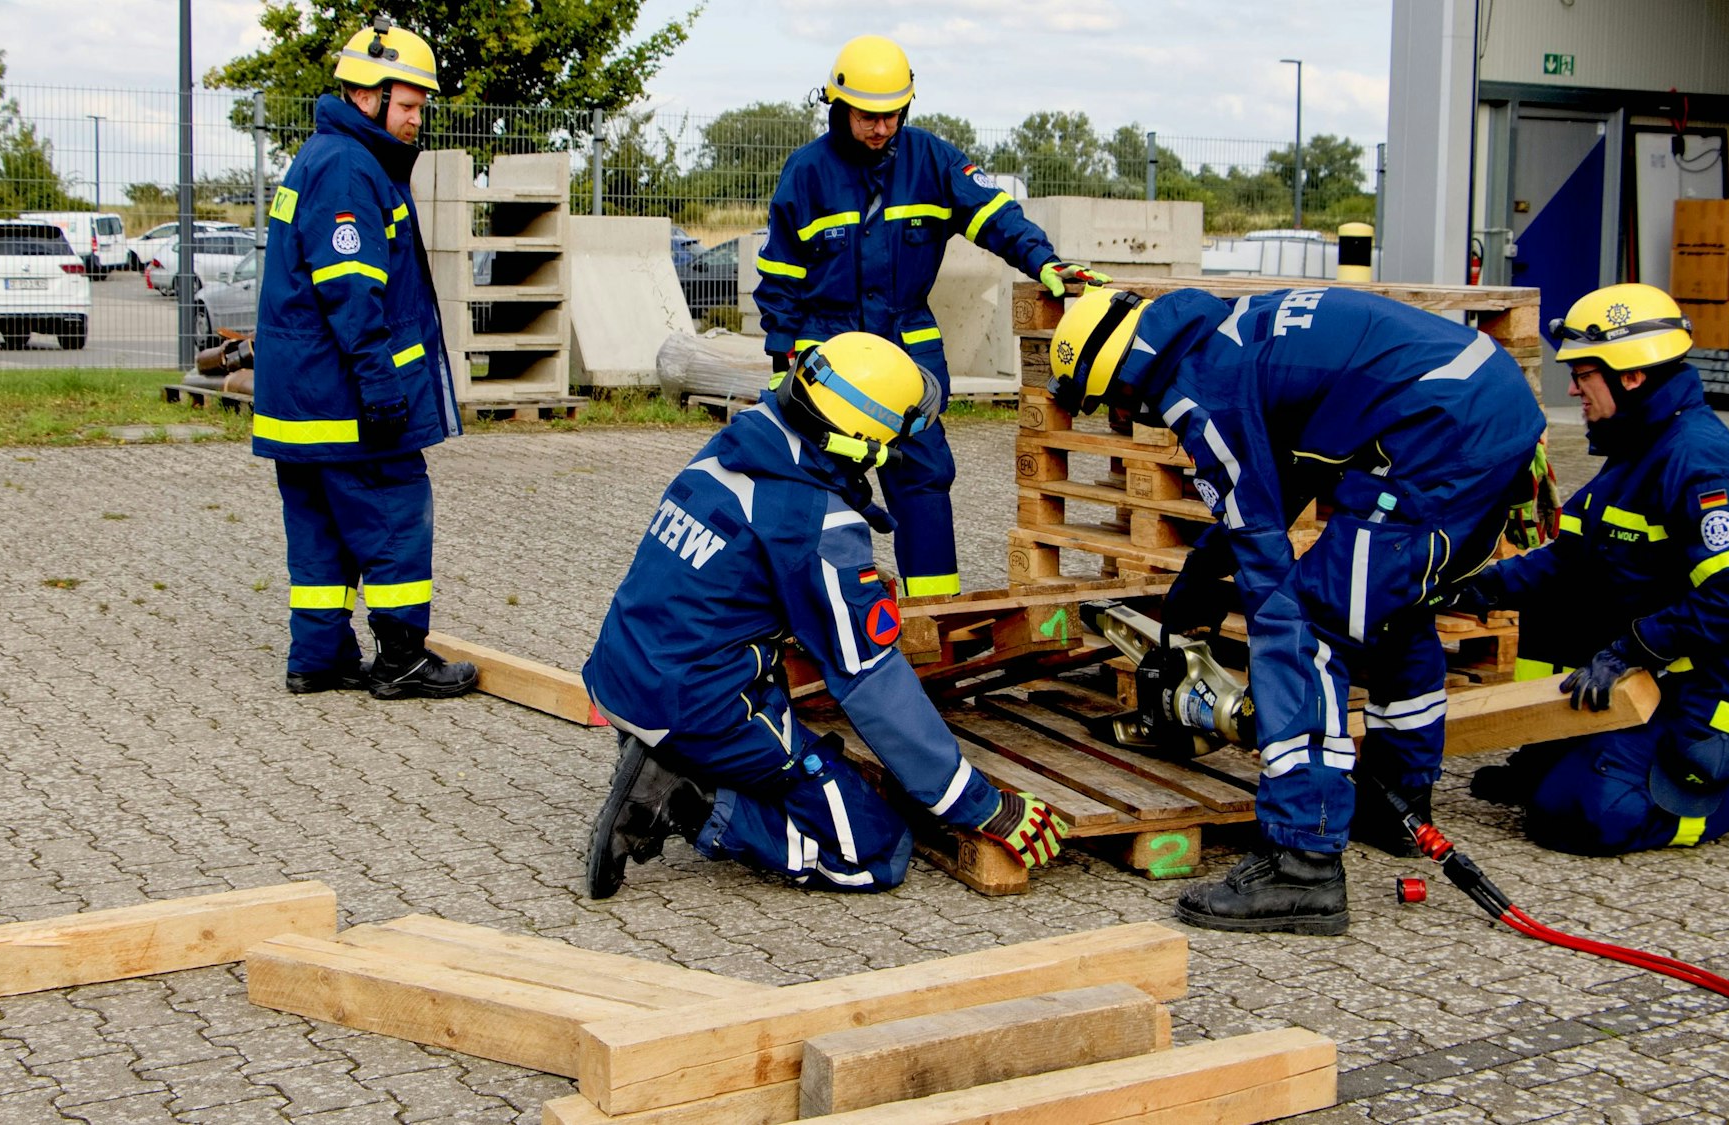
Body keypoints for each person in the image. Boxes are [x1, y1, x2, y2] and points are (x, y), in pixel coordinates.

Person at [1046, 283, 1547, 935]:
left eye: (1112, 405)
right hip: (1481, 408)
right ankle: (1397, 802)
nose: (1123, 420)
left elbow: (1266, 562)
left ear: (1122, 377)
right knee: (1386, 603)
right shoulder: (1227, 336)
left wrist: (1269, 639)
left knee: (1307, 626)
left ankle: (1303, 861)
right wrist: (1201, 572)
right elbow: (1281, 475)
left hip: (1440, 437)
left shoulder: (1199, 390)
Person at [579, 333, 1067, 897]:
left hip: (624, 675)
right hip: (695, 706)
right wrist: (977, 804)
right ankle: (689, 803)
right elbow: (867, 678)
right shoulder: (815, 521)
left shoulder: (739, 443)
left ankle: (666, 757)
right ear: (862, 440)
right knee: (875, 847)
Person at [1438, 283, 1729, 856]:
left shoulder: (1700, 463)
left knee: (1584, 815)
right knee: (1556, 622)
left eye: (1584, 372)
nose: (1572, 387)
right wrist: (1465, 590)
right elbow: (1569, 565)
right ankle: (1555, 754)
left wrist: (1631, 649)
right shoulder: (1641, 447)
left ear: (1631, 375)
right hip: (1674, 653)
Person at [753, 34, 1107, 600]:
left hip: (906, 347)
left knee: (921, 478)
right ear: (838, 107)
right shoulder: (807, 174)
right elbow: (780, 279)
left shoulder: (934, 161)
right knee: (816, 482)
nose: (881, 128)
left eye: (893, 114)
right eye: (868, 116)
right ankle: (829, 614)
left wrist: (1046, 260)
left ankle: (934, 612)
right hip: (827, 348)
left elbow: (996, 217)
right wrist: (783, 359)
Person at [253, 18, 476, 700]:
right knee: (396, 512)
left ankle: (318, 656)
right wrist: (382, 388)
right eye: (407, 106)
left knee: (319, 528)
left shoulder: (322, 155)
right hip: (347, 397)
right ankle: (402, 657)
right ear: (367, 96)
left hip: (304, 404)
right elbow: (352, 293)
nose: (416, 120)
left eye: (419, 107)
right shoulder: (351, 169)